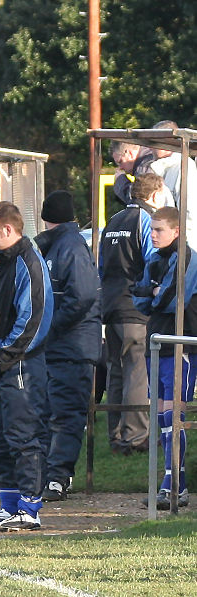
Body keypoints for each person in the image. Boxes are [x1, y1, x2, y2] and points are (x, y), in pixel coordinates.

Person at [0, 201, 53, 531]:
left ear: (8, 229)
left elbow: (35, 316)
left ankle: (30, 508)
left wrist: (5, 354)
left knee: (23, 436)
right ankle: (8, 506)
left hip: (19, 367)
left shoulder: (27, 262)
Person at [35, 191, 101, 501]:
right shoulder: (60, 245)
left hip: (72, 348)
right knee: (52, 410)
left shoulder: (70, 247)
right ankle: (52, 474)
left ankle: (58, 476)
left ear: (47, 217)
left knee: (65, 413)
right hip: (61, 347)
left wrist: (51, 324)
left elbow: (83, 296)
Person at [132, 207, 197, 509]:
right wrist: (152, 290)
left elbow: (171, 299)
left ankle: (170, 486)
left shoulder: (187, 257)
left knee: (174, 417)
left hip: (179, 344)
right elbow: (139, 298)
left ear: (176, 231)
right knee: (160, 418)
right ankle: (177, 486)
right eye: (152, 229)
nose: (153, 235)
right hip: (155, 342)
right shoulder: (153, 259)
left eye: (159, 229)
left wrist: (154, 292)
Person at [99, 173, 168, 454]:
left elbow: (101, 265)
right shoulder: (146, 221)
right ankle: (136, 436)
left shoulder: (113, 221)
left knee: (116, 371)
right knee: (137, 370)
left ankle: (116, 436)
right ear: (153, 196)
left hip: (110, 305)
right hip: (134, 307)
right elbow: (152, 260)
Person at [150, 120, 197, 251]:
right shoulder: (167, 168)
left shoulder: (183, 167)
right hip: (169, 245)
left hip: (181, 247)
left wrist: (184, 249)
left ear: (166, 143)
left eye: (154, 143)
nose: (150, 148)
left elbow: (189, 211)